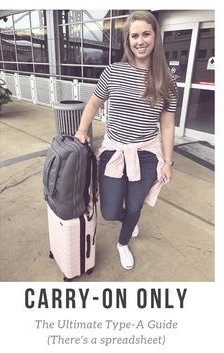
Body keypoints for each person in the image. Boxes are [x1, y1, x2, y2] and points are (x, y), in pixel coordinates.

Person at [75, 10, 178, 270]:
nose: (140, 40)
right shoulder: (113, 72)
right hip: (114, 151)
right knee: (110, 210)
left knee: (134, 205)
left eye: (146, 34)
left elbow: (166, 124)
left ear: (155, 37)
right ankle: (128, 219)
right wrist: (82, 130)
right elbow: (94, 101)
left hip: (146, 154)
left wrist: (168, 161)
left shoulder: (167, 80)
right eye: (134, 35)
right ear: (128, 40)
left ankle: (123, 242)